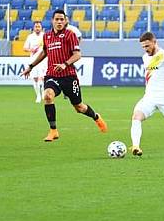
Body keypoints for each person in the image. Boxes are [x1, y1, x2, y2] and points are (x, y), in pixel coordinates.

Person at [21, 9, 107, 142]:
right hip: (52, 75)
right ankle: (53, 130)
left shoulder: (69, 35)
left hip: (69, 76)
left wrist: (65, 64)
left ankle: (96, 117)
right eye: (57, 19)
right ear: (52, 21)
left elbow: (77, 54)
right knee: (47, 96)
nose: (59, 22)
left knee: (79, 107)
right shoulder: (47, 36)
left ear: (66, 21)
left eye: (62, 19)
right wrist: (31, 66)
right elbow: (44, 52)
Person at [24, 21, 47, 103]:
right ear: (33, 28)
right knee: (35, 78)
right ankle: (38, 95)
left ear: (41, 28)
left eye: (39, 26)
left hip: (42, 60)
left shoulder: (45, 36)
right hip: (33, 60)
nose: (37, 28)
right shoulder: (30, 37)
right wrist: (31, 49)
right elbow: (25, 48)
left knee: (42, 78)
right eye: (36, 27)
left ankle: (43, 93)